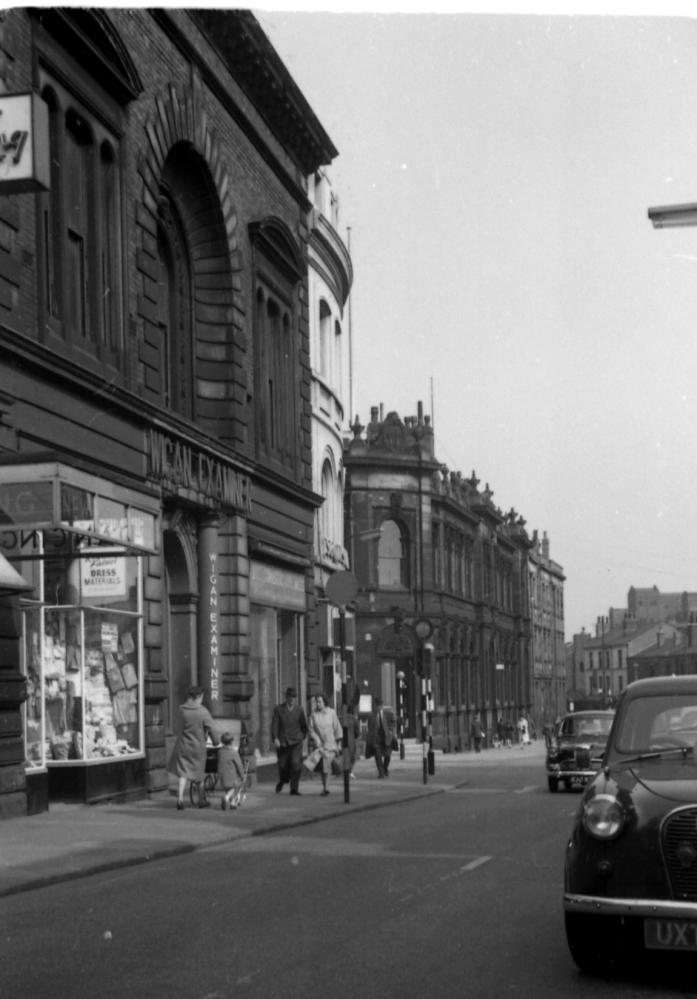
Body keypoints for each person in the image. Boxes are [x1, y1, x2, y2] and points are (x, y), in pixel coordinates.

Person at [168, 685, 220, 810]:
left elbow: (178, 726)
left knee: (183, 774)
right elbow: (212, 728)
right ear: (199, 697)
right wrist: (216, 741)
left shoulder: (182, 709)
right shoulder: (203, 712)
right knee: (199, 774)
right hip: (198, 747)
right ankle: (201, 801)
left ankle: (180, 799)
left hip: (183, 746)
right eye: (202, 697)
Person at [271, 686, 308, 795]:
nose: (291, 699)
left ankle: (294, 789)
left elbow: (304, 726)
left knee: (296, 764)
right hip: (283, 742)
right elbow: (274, 725)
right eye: (289, 697)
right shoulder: (279, 709)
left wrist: (302, 737)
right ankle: (283, 780)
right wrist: (275, 738)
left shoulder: (299, 710)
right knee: (282, 765)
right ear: (286, 697)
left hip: (296, 742)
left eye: (293, 697)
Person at [309, 693, 343, 795]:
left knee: (326, 764)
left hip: (331, 744)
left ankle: (326, 788)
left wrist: (339, 743)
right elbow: (311, 730)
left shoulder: (331, 713)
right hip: (320, 745)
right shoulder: (313, 715)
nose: (317, 704)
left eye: (319, 701)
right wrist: (316, 739)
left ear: (324, 702)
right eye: (316, 702)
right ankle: (325, 787)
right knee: (323, 768)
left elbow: (337, 728)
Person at [366, 696, 396, 778]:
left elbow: (393, 722)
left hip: (387, 738)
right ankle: (381, 772)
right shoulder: (371, 716)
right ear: (375, 706)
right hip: (377, 738)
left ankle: (385, 768)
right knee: (377, 755)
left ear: (382, 706)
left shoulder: (389, 713)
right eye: (376, 706)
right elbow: (370, 728)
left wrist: (391, 729)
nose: (378, 708)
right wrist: (370, 739)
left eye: (379, 706)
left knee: (388, 755)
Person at [217, 731, 245, 810]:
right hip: (231, 776)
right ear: (231, 742)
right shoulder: (233, 753)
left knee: (229, 789)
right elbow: (239, 765)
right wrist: (242, 775)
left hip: (222, 776)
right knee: (237, 786)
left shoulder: (220, 752)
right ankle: (226, 798)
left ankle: (233, 802)